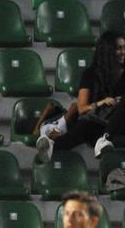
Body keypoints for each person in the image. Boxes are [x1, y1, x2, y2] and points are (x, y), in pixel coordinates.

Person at [39, 31, 125, 163]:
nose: (123, 51)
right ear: (108, 50)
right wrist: (102, 102)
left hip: (120, 123)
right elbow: (82, 108)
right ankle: (51, 146)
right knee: (84, 126)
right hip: (98, 121)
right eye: (119, 48)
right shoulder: (90, 74)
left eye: (124, 47)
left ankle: (105, 139)